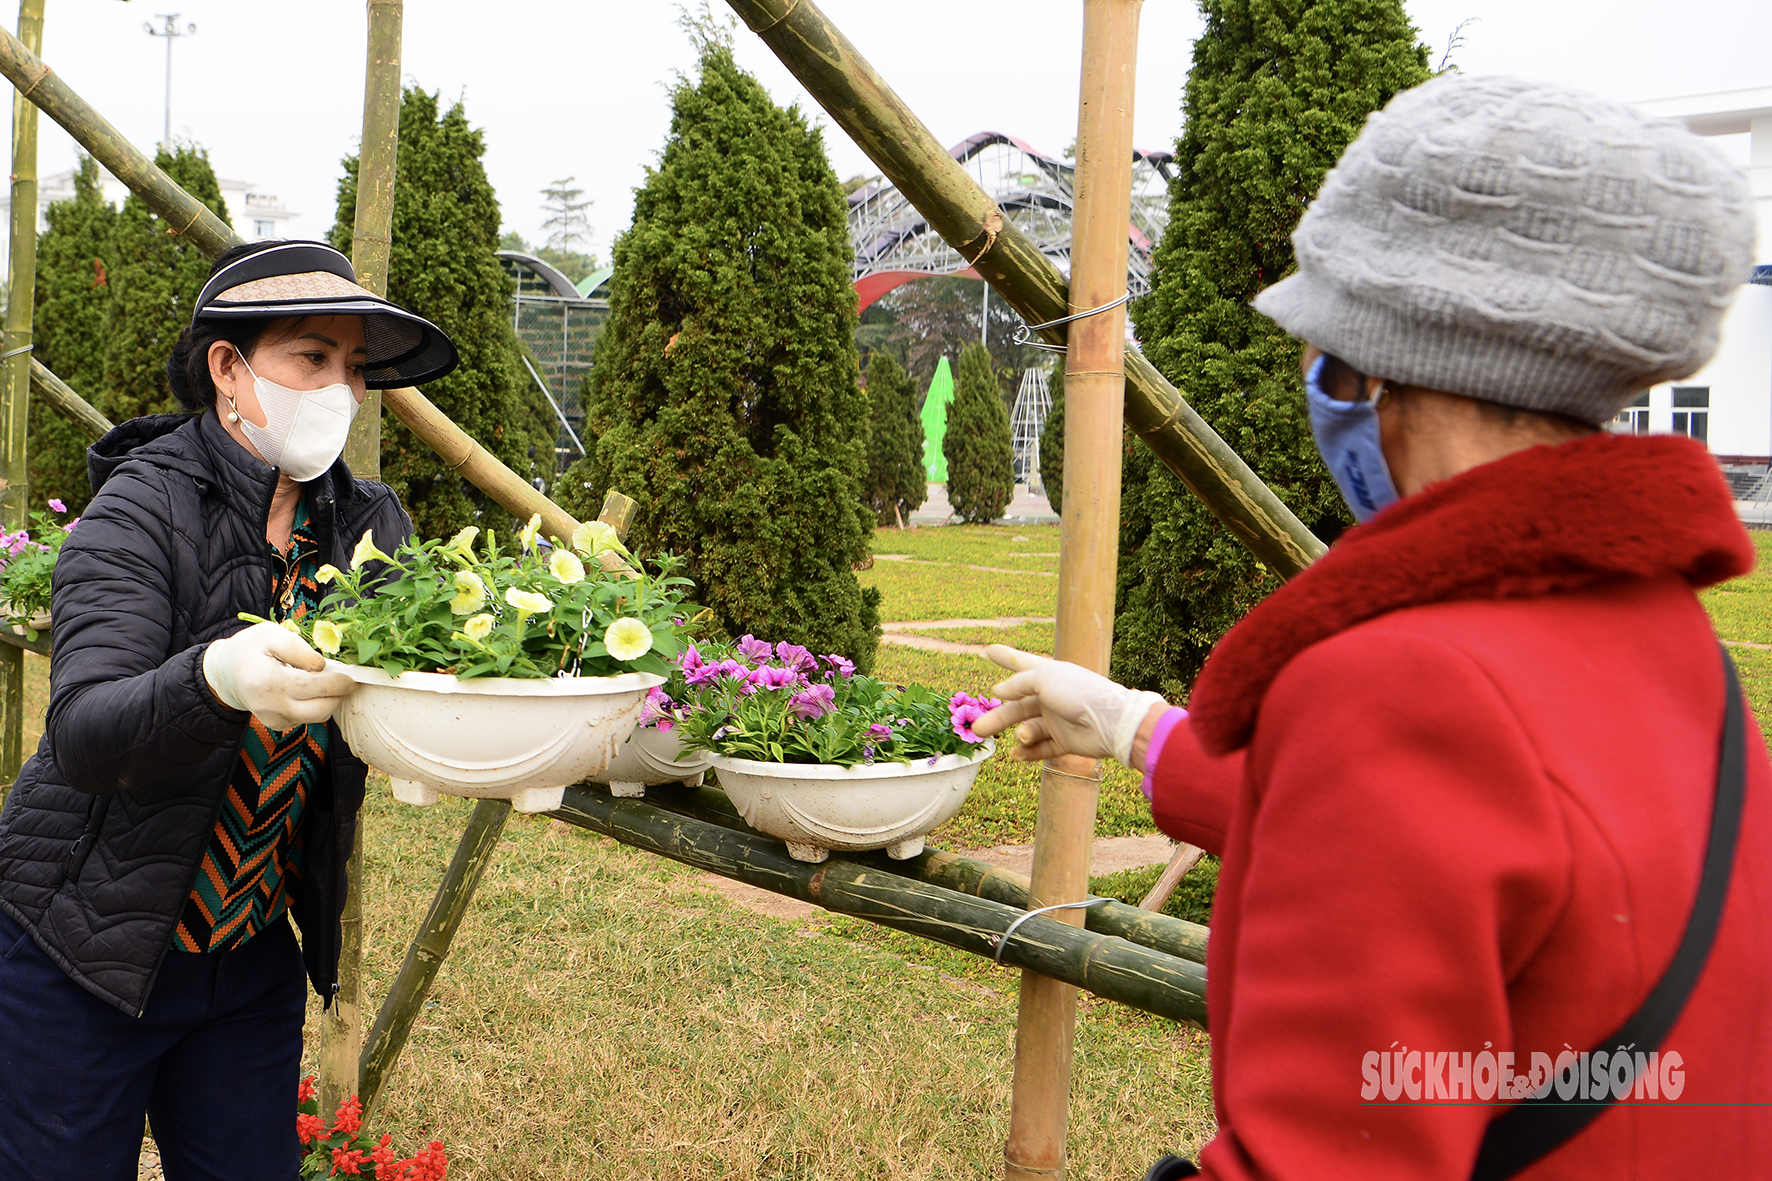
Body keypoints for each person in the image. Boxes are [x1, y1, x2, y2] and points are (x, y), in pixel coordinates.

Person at [975, 75, 1770, 1178]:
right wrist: (1126, 724)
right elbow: (1448, 838)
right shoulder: (1661, 634)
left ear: (1374, 359)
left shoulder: (1401, 679)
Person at [0, 239, 458, 1178]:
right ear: (228, 369)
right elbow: (84, 733)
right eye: (311, 358)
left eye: (355, 367)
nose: (341, 390)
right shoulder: (138, 510)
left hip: (244, 953)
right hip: (83, 948)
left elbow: (430, 672)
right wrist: (218, 677)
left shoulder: (369, 525)